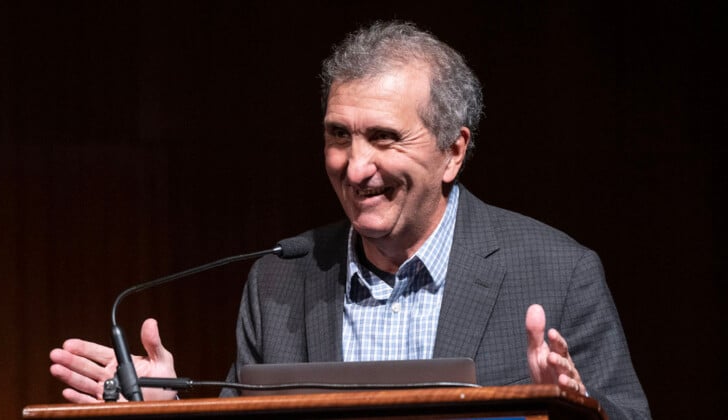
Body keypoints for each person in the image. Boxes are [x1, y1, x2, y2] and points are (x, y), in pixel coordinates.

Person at [50, 21, 651, 419]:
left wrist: (579, 412)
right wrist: (170, 406)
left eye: (384, 138)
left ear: (454, 152)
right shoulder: (279, 280)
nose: (355, 167)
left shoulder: (558, 272)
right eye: (339, 136)